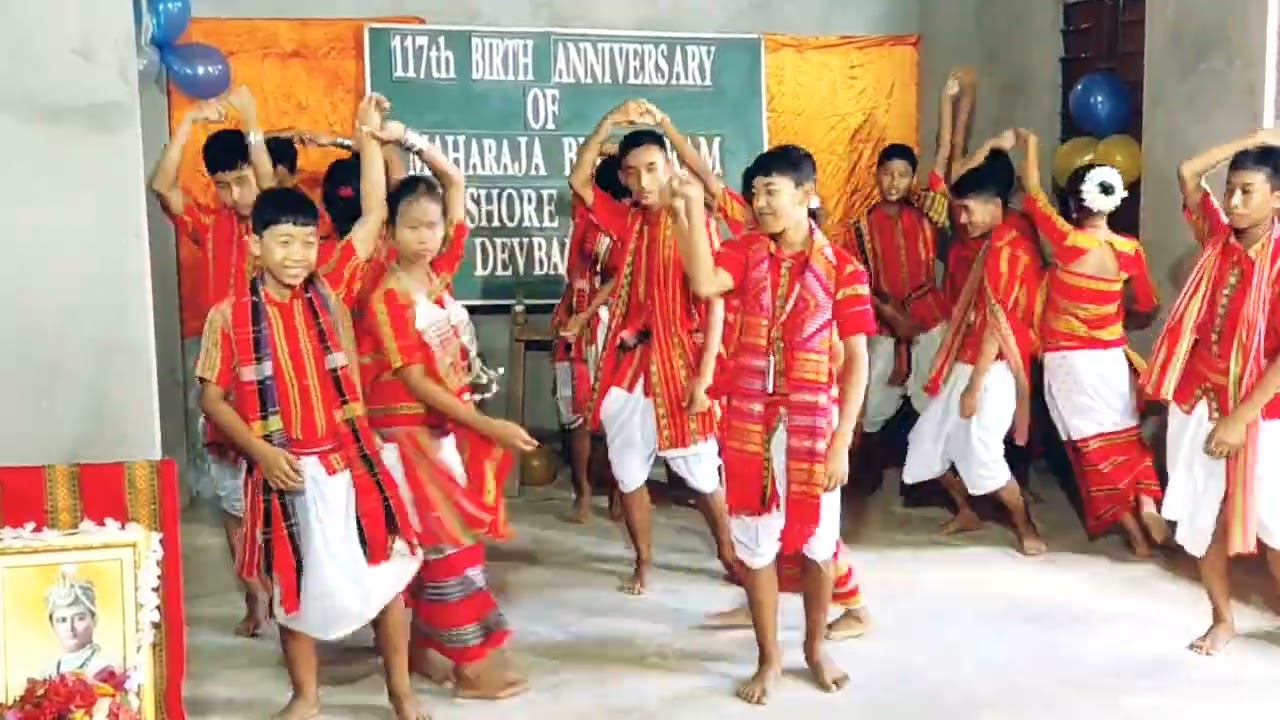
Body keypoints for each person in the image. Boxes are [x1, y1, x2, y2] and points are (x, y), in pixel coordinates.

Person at [197, 95, 428, 720]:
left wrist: (367, 140)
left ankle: (402, 694)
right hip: (284, 470)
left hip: (349, 462)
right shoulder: (229, 318)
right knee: (292, 595)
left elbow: (375, 212)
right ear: (254, 245)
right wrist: (261, 452)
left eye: (306, 242)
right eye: (284, 243)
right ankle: (306, 698)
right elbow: (211, 398)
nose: (298, 255)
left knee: (384, 581)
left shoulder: (331, 289)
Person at [676, 143, 872, 704]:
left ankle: (814, 648)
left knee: (818, 546)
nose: (761, 203)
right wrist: (688, 210)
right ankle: (770, 658)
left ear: (807, 196)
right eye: (756, 192)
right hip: (750, 421)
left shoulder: (845, 270)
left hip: (814, 424)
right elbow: (706, 283)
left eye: (772, 191)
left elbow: (856, 361)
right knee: (755, 545)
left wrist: (842, 441)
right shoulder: (744, 253)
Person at [359, 118, 535, 699]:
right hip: (403, 431)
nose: (427, 236)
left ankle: (424, 650)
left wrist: (405, 137)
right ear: (390, 231)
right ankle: (468, 664)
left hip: (441, 430)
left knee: (444, 541)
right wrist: (486, 424)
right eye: (413, 227)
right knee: (445, 542)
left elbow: (454, 181)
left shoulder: (437, 279)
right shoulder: (386, 295)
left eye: (432, 226)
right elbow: (411, 378)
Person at [568, 100, 735, 595]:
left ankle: (728, 549)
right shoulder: (627, 221)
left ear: (670, 169)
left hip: (681, 365)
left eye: (652, 170)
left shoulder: (696, 222)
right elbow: (579, 182)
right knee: (627, 469)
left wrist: (705, 378)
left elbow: (716, 304)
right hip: (628, 366)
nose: (642, 182)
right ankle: (643, 560)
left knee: (700, 472)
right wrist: (605, 125)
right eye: (633, 172)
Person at [1140, 129, 1280, 655]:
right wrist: (1257, 138)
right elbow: (1187, 172)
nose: (1235, 201)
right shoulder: (1217, 237)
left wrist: (1240, 418)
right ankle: (1221, 619)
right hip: (1197, 400)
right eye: (1231, 190)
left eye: (1248, 191)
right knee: (1201, 517)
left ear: (1278, 199)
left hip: (1263, 413)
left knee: (1273, 520)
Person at [149, 86, 276, 638]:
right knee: (233, 505)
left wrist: (253, 126)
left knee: (286, 499)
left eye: (240, 180)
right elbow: (161, 186)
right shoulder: (212, 224)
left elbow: (269, 187)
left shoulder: (279, 231)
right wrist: (188, 125)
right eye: (222, 185)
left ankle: (295, 600)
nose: (233, 194)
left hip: (276, 385)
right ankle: (255, 599)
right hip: (224, 389)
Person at [1015, 130, 1166, 556]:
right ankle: (1148, 502)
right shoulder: (1129, 249)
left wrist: (1030, 142)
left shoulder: (1066, 241)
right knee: (1126, 435)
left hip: (1070, 364)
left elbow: (1031, 188)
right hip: (1111, 358)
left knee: (1092, 450)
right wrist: (1118, 317)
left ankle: (1135, 534)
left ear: (1077, 202)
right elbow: (1147, 303)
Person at [901, 148, 1047, 555]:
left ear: (994, 204)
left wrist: (973, 387)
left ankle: (1026, 526)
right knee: (926, 440)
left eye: (967, 210)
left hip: (994, 366)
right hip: (967, 358)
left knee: (982, 449)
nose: (961, 220)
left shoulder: (1008, 246)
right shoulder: (997, 234)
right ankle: (968, 511)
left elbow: (997, 327)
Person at [851, 71, 959, 490]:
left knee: (934, 397)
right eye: (886, 173)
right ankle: (863, 474)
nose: (894, 182)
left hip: (930, 317)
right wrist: (893, 318)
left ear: (912, 178)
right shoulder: (860, 226)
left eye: (902, 174)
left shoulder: (929, 212)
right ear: (876, 176)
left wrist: (946, 101)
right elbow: (859, 281)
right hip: (883, 323)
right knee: (870, 400)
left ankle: (936, 479)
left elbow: (944, 153)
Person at [552, 150, 627, 524]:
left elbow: (618, 279)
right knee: (576, 416)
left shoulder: (632, 222)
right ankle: (582, 492)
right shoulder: (584, 213)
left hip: (608, 321)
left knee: (614, 414)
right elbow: (576, 177)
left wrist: (587, 314)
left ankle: (616, 493)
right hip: (573, 320)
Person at [44, 568, 116, 679]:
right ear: (52, 625)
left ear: (94, 620)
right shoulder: (48, 673)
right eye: (62, 620)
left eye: (79, 619)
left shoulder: (104, 668)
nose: (70, 628)